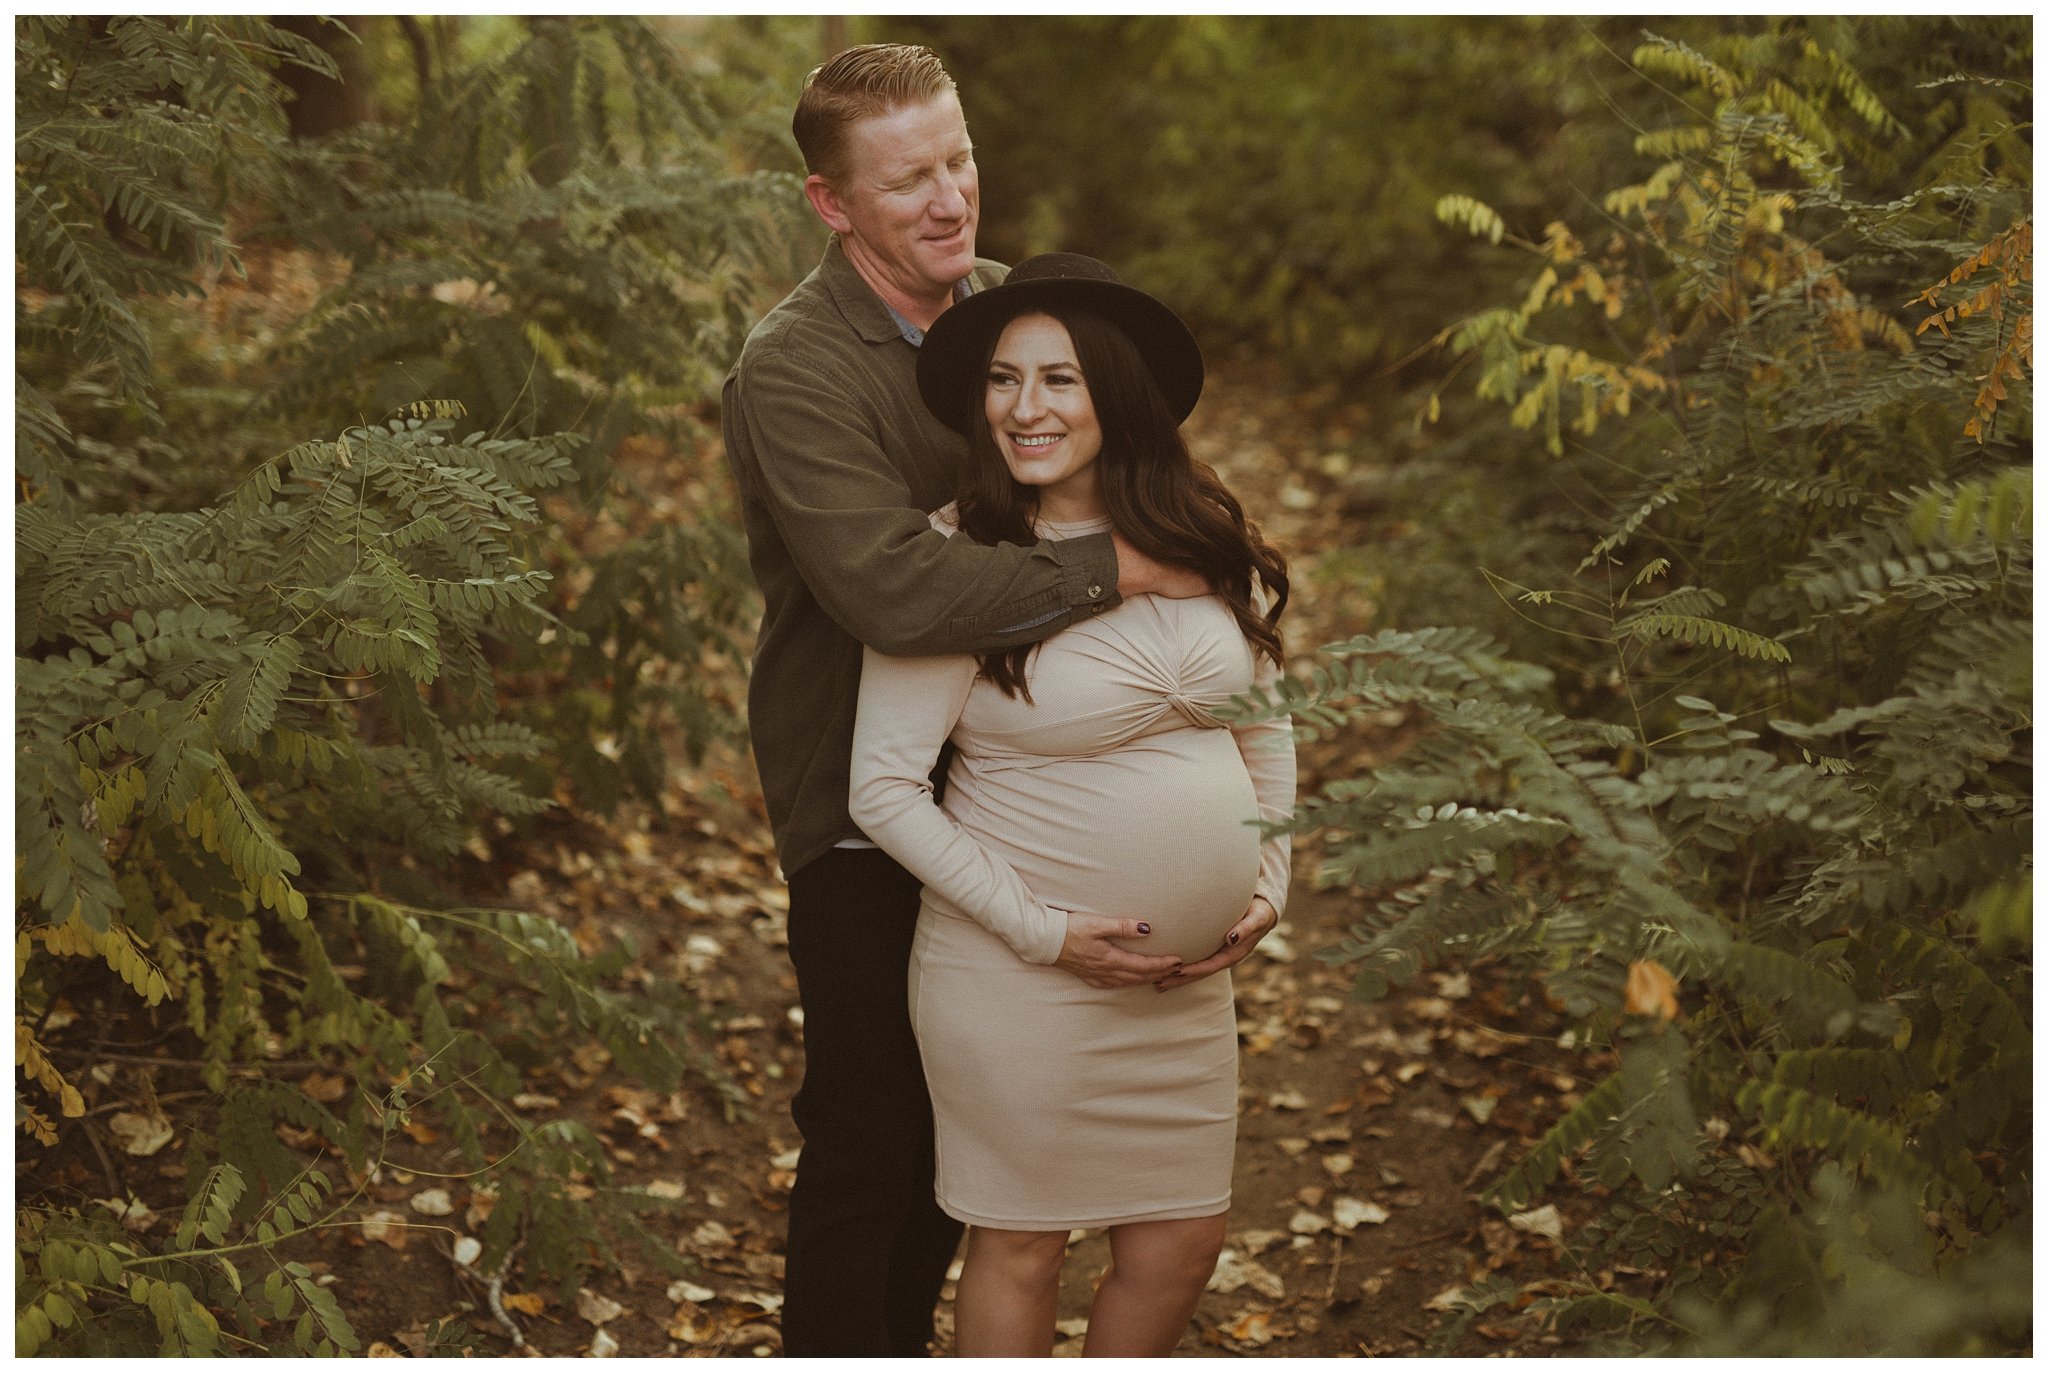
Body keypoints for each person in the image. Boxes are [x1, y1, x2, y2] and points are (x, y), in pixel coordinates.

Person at [719, 46, 1220, 1357]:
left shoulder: (1012, 313)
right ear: (830, 205)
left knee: (974, 1150)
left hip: (1020, 788)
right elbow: (891, 589)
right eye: (908, 182)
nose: (952, 202)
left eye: (960, 162)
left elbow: (1135, 473)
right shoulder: (797, 369)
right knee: (875, 1136)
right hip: (861, 802)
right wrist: (1110, 568)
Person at [848, 253, 1296, 1357]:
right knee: (1022, 1244)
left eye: (1058, 380)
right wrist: (1043, 931)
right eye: (1003, 379)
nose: (1023, 408)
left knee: (1182, 1239)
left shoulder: (1195, 534)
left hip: (1183, 995)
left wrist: (1270, 879)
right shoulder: (961, 559)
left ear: (1118, 394)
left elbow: (1265, 722)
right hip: (1017, 982)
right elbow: (883, 786)